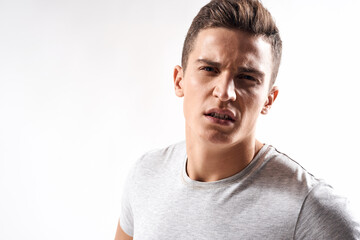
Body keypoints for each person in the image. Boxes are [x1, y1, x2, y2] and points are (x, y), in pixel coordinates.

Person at [115, 0, 360, 239]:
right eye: (209, 69)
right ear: (179, 80)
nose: (224, 92)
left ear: (268, 100)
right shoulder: (145, 176)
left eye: (246, 77)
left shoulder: (312, 211)